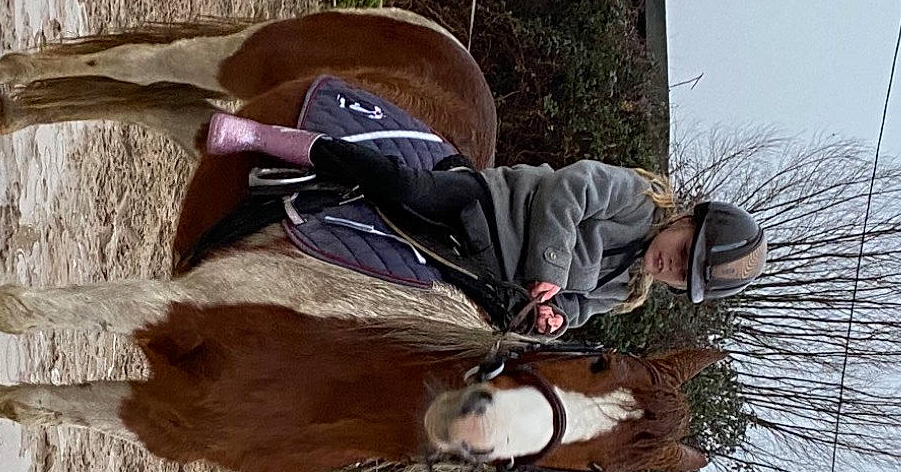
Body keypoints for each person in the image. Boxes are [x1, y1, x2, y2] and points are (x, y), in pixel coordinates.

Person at [204, 113, 766, 334]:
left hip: (487, 281)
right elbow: (570, 189)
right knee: (404, 187)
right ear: (685, 219)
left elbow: (577, 306)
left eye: (682, 275)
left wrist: (554, 318)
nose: (672, 264)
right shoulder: (636, 200)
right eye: (685, 248)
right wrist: (547, 268)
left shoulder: (625, 289)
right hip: (486, 208)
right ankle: (259, 136)